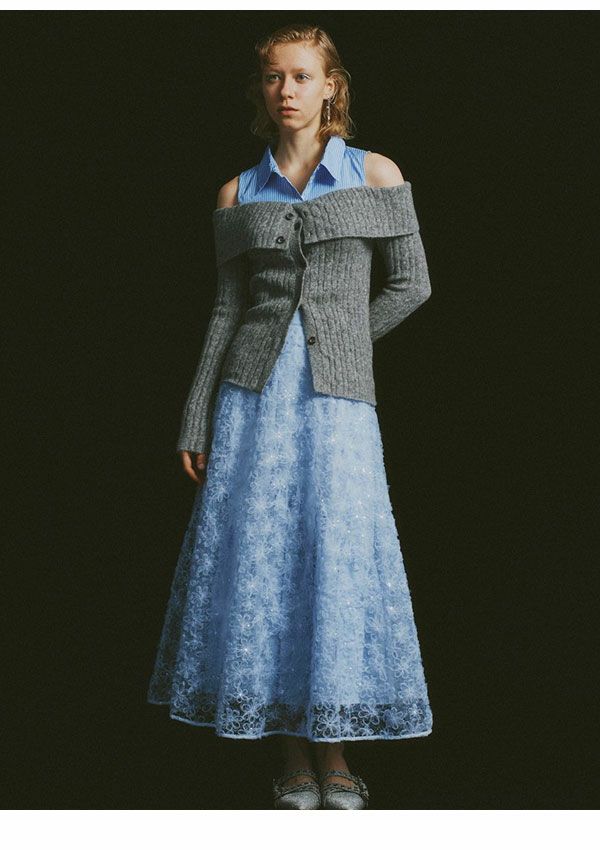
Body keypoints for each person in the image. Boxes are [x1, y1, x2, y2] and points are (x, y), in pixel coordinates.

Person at [147, 23, 433, 810]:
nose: (287, 90)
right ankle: (293, 760)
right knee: (263, 566)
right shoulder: (238, 193)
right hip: (251, 401)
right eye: (274, 77)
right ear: (261, 90)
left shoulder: (375, 174)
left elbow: (412, 284)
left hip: (338, 401)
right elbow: (226, 311)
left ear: (331, 85)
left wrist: (343, 341)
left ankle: (336, 755)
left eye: (302, 76)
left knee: (331, 562)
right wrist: (195, 419)